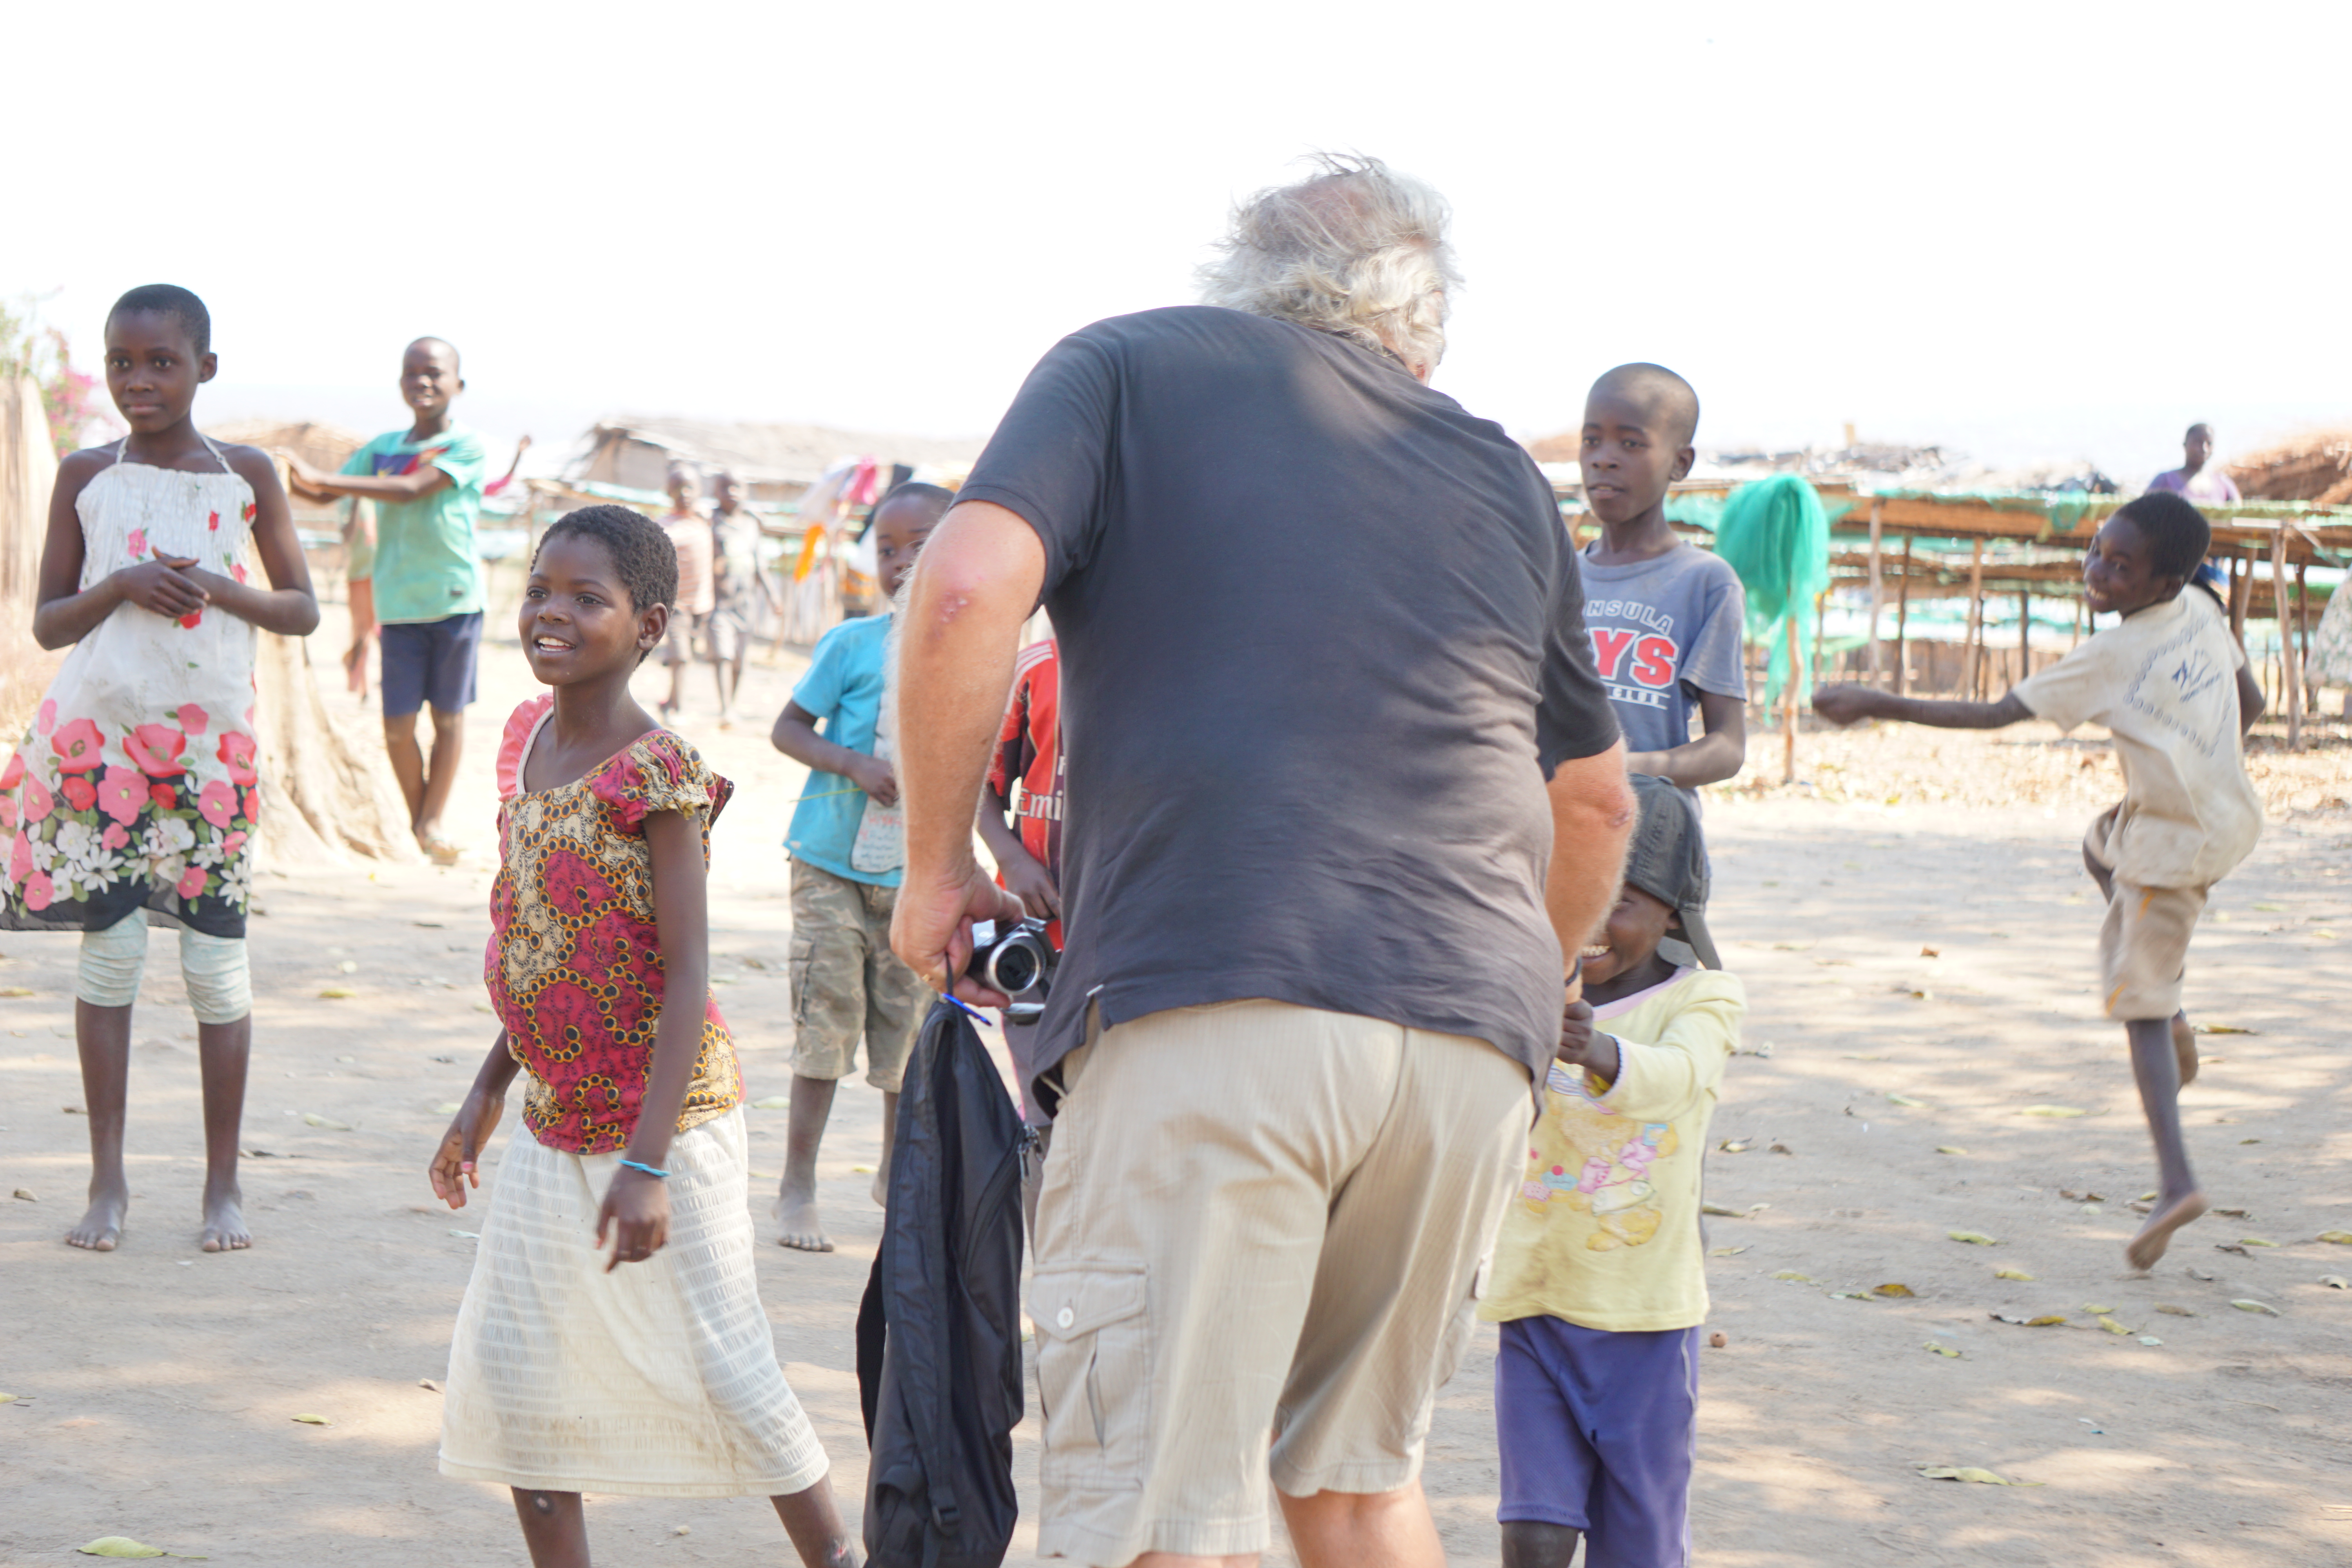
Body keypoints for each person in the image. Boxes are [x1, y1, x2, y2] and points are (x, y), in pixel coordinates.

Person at [889, 155, 1634, 1568]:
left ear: (1243, 279)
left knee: (1163, 1517)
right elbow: (1593, 802)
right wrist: (1513, 998)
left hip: (1215, 999)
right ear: (1422, 334)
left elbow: (967, 586)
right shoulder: (1497, 470)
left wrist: (934, 871)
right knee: (1354, 1488)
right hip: (1469, 1045)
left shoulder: (1126, 366)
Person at [427, 505, 858, 1568]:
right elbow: (543, 942)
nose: (552, 613)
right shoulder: (530, 747)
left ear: (650, 625)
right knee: (518, 1373)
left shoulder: (658, 773)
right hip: (553, 1120)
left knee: (728, 1364)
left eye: (588, 598)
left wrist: (650, 1162)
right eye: (539, 590)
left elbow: (686, 972)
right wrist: (485, 1094)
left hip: (670, 1124)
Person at [1815, 491, 2263, 1272]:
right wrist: (2201, 765)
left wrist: (1874, 701)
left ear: (2164, 582)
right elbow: (2252, 699)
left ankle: (2177, 1178)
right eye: (2098, 552)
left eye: (2122, 566)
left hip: (2176, 845)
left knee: (2137, 997)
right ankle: (2166, 996)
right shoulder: (2200, 607)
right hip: (2222, 812)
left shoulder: (2111, 654)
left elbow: (1994, 715)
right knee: (2100, 845)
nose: (2099, 571)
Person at [3, 284, 319, 1253]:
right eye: (121, 362)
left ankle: (224, 1187)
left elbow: (302, 608)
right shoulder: (87, 475)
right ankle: (108, 1182)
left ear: (205, 369)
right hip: (98, 745)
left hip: (209, 753)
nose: (138, 380)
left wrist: (217, 585)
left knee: (217, 969)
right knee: (111, 958)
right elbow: (48, 623)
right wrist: (121, 584)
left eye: (162, 362)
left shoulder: (247, 474)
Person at [1480, 775, 1744, 1568]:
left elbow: (1677, 1077)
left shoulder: (1705, 999)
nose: (1593, 923)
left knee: (1638, 1546)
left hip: (1646, 1321)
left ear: (1675, 914)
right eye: (1573, 896)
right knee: (1533, 1531)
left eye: (1620, 903)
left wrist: (1597, 1049)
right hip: (1536, 1303)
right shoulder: (1530, 993)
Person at [768, 483, 948, 1253]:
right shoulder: (851, 643)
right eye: (886, 549)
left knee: (906, 1037)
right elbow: (788, 729)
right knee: (826, 1019)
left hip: (914, 874)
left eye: (920, 546)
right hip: (829, 864)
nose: (901, 562)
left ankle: (892, 1177)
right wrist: (851, 764)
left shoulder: (972, 652)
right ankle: (797, 1185)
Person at [286, 338, 488, 865]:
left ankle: (430, 825)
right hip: (397, 606)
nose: (423, 381)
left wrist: (322, 477)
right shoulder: (381, 450)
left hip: (454, 601)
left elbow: (412, 488)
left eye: (435, 372)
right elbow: (323, 492)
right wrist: (279, 472)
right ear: (400, 383)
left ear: (458, 384)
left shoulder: (465, 446)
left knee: (448, 719)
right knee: (397, 726)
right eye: (412, 372)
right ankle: (423, 827)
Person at [1577, 364, 1747, 800]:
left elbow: (1728, 747)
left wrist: (1622, 771)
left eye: (1631, 443)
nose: (1603, 458)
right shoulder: (1557, 576)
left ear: (1680, 463)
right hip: (1560, 822)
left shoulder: (1705, 583)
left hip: (1652, 823)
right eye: (1591, 440)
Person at [708, 471, 778, 728]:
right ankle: (725, 708)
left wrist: (773, 596)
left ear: (746, 491)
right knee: (723, 654)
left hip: (745, 603)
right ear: (716, 492)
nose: (731, 493)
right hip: (719, 601)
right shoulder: (711, 521)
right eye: (725, 487)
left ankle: (732, 705)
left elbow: (760, 565)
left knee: (739, 660)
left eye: (737, 487)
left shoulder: (751, 524)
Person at [657, 466, 715, 724]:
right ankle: (677, 709)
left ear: (700, 491)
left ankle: (669, 701)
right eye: (679, 488)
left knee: (686, 657)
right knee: (680, 657)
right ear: (669, 492)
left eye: (690, 488)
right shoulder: (664, 526)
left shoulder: (705, 522)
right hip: (676, 603)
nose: (685, 493)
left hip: (702, 604)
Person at [2147, 423, 2241, 506]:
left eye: (2209, 443)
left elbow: (2239, 514)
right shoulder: (2165, 481)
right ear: (2185, 445)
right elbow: (2144, 512)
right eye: (2198, 442)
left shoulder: (2223, 484)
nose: (2204, 449)